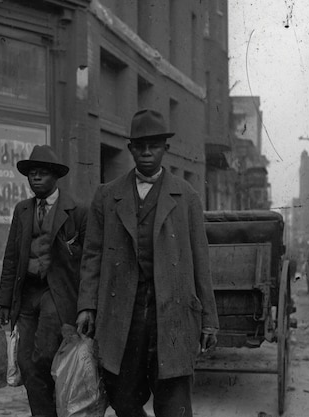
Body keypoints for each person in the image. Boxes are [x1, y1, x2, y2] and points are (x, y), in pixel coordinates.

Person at [76, 109, 219, 417]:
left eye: (153, 145)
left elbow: (200, 261)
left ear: (165, 148)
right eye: (139, 146)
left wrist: (209, 319)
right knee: (121, 395)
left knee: (174, 401)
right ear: (130, 149)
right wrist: (87, 305)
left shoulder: (187, 197)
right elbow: (92, 256)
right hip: (121, 312)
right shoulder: (107, 196)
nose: (146, 152)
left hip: (172, 310)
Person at [0, 145, 87, 417]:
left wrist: (86, 306)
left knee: (45, 354)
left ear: (55, 177)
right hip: (26, 295)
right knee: (26, 362)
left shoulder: (77, 211)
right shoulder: (22, 210)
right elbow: (11, 257)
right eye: (31, 174)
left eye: (42, 173)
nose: (35, 178)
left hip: (56, 293)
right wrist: (3, 302)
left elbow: (87, 262)